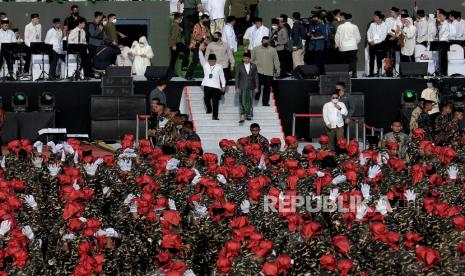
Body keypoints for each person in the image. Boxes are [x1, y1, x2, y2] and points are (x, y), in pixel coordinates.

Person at [199, 44, 226, 120]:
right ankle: (209, 109)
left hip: (216, 87)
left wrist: (223, 86)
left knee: (215, 102)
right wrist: (200, 51)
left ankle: (215, 116)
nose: (211, 62)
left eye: (213, 61)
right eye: (210, 61)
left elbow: (222, 77)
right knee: (206, 99)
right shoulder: (205, 65)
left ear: (215, 60)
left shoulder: (219, 66)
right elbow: (201, 58)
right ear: (208, 60)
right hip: (207, 85)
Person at [251, 36, 280, 106]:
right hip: (258, 70)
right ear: (261, 41)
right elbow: (252, 59)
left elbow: (276, 60)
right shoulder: (255, 49)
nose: (266, 42)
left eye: (267, 41)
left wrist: (278, 69)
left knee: (267, 89)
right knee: (257, 86)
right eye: (264, 41)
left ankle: (265, 103)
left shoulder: (273, 50)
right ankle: (256, 97)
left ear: (269, 42)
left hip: (269, 71)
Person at [335, 13, 361, 78]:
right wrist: (355, 43)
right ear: (351, 19)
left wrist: (337, 44)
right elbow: (358, 37)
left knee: (343, 61)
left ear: (345, 19)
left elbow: (337, 37)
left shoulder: (340, 27)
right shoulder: (354, 26)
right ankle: (354, 74)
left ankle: (344, 74)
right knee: (353, 61)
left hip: (343, 47)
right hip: (353, 46)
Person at [185, 14, 210, 80]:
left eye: (207, 20)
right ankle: (188, 75)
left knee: (207, 60)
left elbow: (207, 36)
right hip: (196, 45)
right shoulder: (197, 25)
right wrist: (202, 40)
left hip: (204, 46)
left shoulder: (206, 26)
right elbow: (195, 36)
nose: (206, 21)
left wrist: (206, 43)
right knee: (195, 60)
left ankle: (208, 75)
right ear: (201, 19)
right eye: (205, 20)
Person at [235, 52, 258, 123]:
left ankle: (249, 114)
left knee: (250, 101)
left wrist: (257, 87)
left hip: (251, 86)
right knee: (242, 100)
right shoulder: (239, 66)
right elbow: (237, 77)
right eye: (245, 58)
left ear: (250, 59)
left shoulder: (253, 66)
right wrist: (237, 87)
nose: (246, 59)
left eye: (247, 58)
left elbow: (256, 77)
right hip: (242, 86)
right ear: (243, 58)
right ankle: (242, 115)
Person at [180, 0, 202, 70]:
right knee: (196, 32)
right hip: (194, 12)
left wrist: (178, 12)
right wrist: (200, 12)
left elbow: (178, 3)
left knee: (187, 34)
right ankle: (196, 57)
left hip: (186, 12)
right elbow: (199, 6)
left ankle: (185, 63)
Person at [367, 11, 387, 77]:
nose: (374, 18)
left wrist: (375, 42)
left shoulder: (384, 25)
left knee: (379, 59)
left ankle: (379, 72)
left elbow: (383, 37)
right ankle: (371, 73)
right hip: (372, 44)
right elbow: (368, 33)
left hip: (380, 45)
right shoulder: (372, 24)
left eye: (376, 17)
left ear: (380, 19)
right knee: (371, 59)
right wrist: (370, 41)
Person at [437, 9, 450, 75]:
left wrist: (439, 40)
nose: (439, 17)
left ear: (445, 17)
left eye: (441, 16)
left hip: (444, 42)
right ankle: (441, 72)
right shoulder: (442, 24)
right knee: (441, 58)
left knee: (443, 59)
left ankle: (444, 72)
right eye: (439, 16)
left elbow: (444, 35)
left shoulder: (446, 24)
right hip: (441, 42)